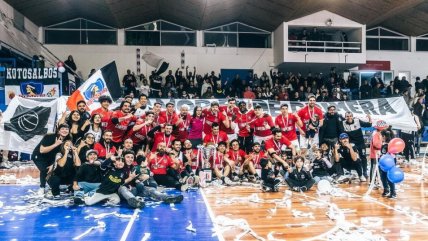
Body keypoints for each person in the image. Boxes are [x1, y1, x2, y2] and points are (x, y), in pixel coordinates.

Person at [32, 124, 71, 195]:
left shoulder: (68, 139)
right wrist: (56, 144)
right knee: (44, 169)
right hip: (39, 156)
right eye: (63, 129)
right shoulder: (49, 136)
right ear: (58, 130)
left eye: (66, 129)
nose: (65, 130)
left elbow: (61, 153)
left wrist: (53, 164)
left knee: (54, 169)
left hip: (51, 157)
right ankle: (42, 187)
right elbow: (42, 150)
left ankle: (54, 184)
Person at [341, 112, 372, 178]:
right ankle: (352, 171)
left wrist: (369, 117)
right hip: (352, 144)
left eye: (350, 116)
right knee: (351, 157)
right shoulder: (343, 123)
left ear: (352, 116)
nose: (349, 117)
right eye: (347, 116)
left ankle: (365, 172)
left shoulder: (357, 121)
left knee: (363, 157)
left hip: (360, 143)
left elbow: (369, 125)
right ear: (345, 117)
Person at [379, 128, 397, 199]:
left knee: (388, 177)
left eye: (381, 136)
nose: (380, 137)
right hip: (387, 161)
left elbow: (385, 154)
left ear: (384, 136)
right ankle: (386, 190)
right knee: (383, 176)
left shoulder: (387, 145)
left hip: (389, 162)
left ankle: (393, 192)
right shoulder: (386, 144)